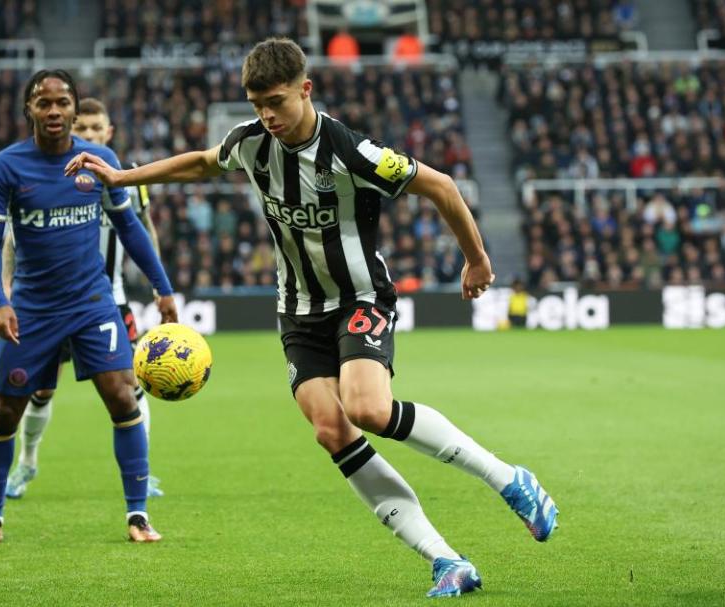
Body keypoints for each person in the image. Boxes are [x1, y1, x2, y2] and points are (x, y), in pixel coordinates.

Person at [65, 39, 558, 598]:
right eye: (256, 105)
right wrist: (123, 177)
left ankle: (509, 479)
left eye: (275, 101)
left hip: (360, 298)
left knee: (368, 407)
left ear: (306, 89)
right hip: (297, 311)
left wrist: (476, 259)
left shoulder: (352, 151)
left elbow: (440, 186)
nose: (266, 116)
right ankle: (446, 560)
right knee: (331, 428)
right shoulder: (251, 143)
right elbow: (204, 163)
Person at [0, 69, 177, 546]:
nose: (55, 111)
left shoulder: (101, 161)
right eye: (45, 103)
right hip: (33, 310)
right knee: (6, 412)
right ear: (30, 110)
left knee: (124, 397)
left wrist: (162, 288)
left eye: (63, 103)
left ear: (74, 108)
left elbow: (131, 229)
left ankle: (138, 515)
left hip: (92, 304)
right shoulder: (5, 167)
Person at [3, 97, 165, 500]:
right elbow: (10, 238)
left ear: (109, 132)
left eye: (98, 129)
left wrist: (160, 282)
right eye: (84, 129)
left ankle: (143, 475)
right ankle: (27, 463)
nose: (90, 135)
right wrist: (6, 289)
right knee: (40, 391)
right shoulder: (46, 178)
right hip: (52, 302)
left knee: (132, 388)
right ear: (73, 130)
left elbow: (143, 229)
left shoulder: (128, 177)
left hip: (109, 299)